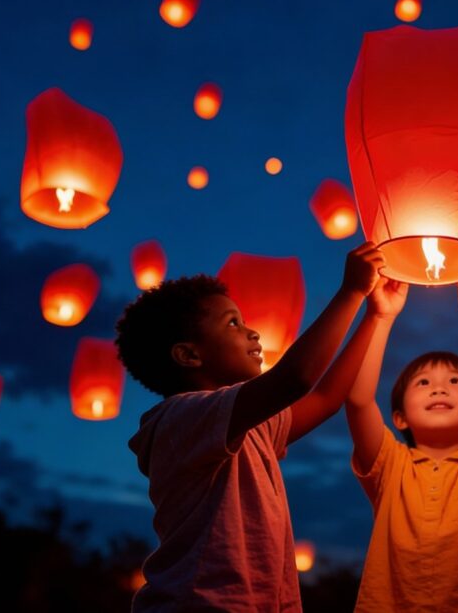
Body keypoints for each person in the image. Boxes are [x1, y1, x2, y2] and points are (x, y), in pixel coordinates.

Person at [115, 242, 384, 612]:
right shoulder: (182, 418)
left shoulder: (250, 426)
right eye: (233, 323)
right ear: (189, 355)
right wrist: (351, 292)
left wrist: (375, 315)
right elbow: (296, 378)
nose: (253, 332)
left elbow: (325, 399)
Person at [344, 271, 458, 612]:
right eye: (423, 383)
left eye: (455, 381)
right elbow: (357, 401)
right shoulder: (389, 464)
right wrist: (380, 317)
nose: (439, 388)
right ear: (399, 418)